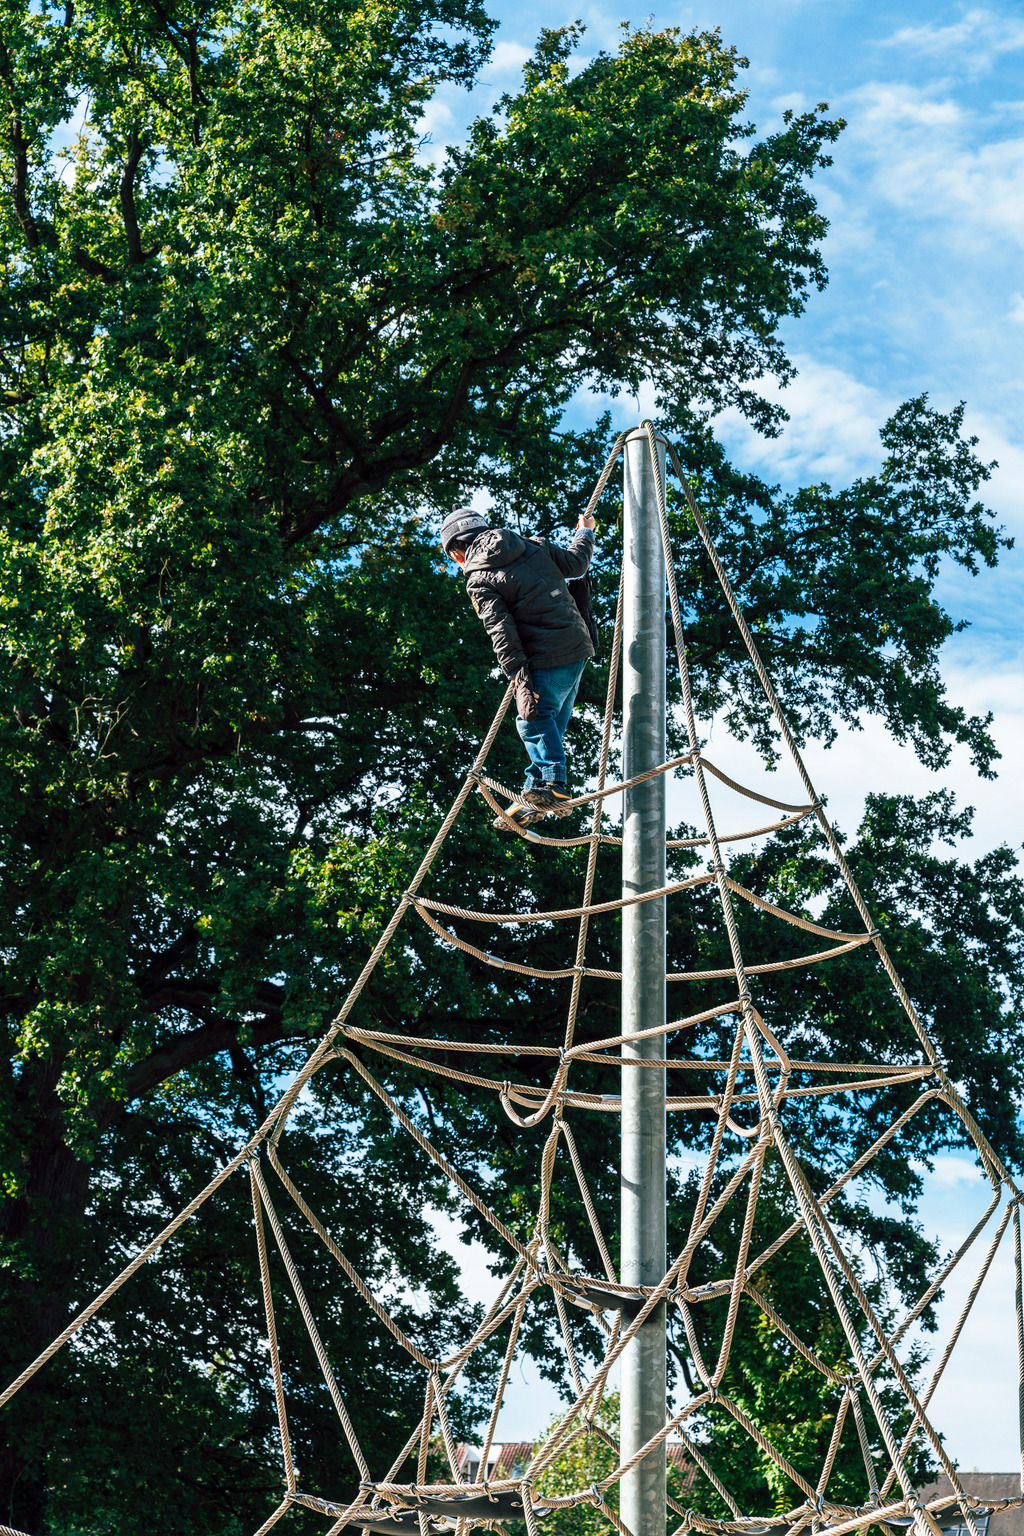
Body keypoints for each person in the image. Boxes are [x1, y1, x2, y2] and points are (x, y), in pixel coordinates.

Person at [440, 505, 597, 830]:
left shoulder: (479, 578)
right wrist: (585, 532)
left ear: (457, 553)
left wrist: (520, 682)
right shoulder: (533, 544)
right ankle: (534, 793)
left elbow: (503, 636)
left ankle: (553, 783)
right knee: (549, 724)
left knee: (532, 720)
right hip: (577, 645)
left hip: (547, 656)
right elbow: (577, 563)